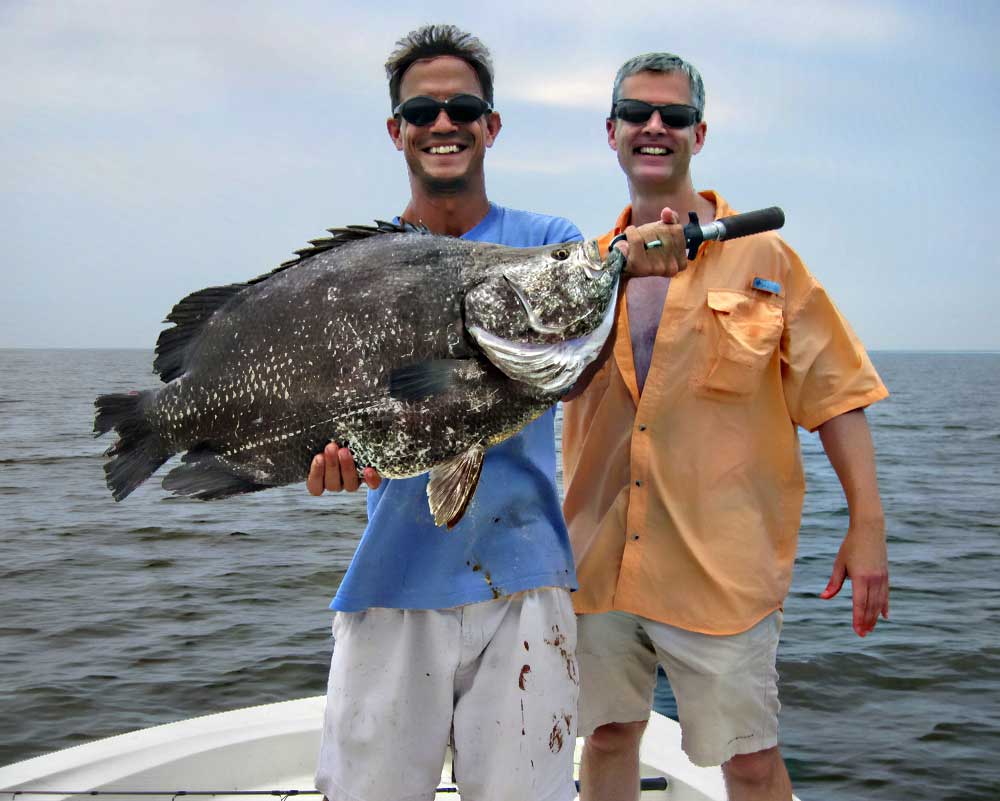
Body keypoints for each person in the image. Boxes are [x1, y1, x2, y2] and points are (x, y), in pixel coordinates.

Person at [308, 27, 681, 801]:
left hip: (526, 581)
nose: (444, 123)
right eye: (423, 109)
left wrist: (636, 264)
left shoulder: (543, 243)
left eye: (464, 107)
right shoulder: (368, 268)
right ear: (397, 131)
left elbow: (574, 364)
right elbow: (333, 417)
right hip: (392, 577)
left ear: (491, 125)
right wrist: (323, 458)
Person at [560, 52, 891, 801]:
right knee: (608, 736)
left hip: (723, 570)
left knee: (748, 760)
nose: (654, 127)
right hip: (596, 556)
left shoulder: (765, 257)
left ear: (698, 134)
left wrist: (867, 525)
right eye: (637, 114)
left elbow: (837, 392)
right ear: (610, 133)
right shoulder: (580, 269)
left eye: (673, 116)